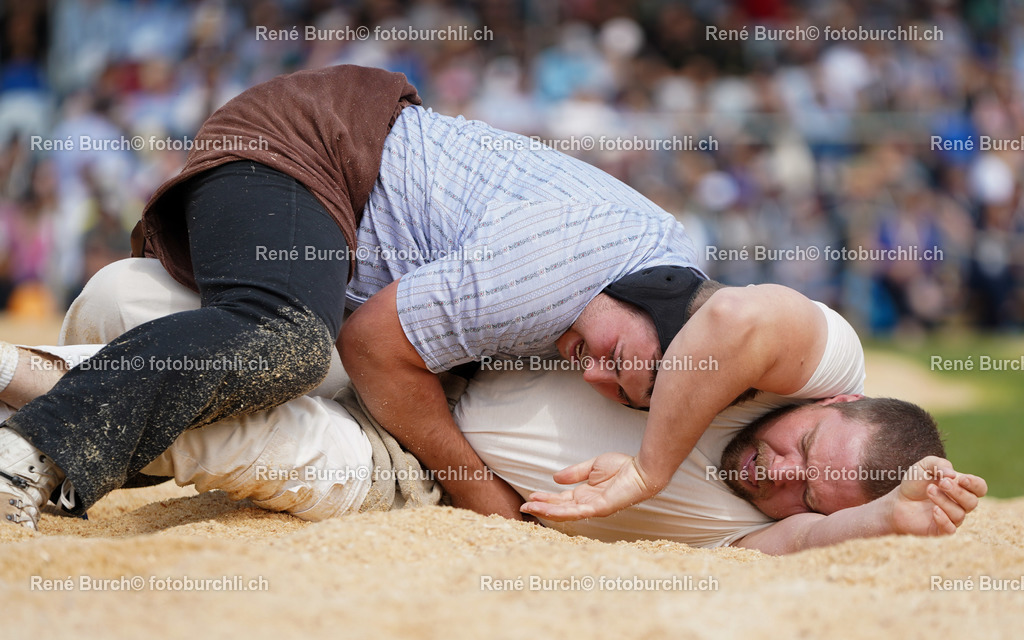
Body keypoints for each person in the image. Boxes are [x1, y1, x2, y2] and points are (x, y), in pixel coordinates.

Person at [0, 65, 931, 528]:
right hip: (310, 149)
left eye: (808, 494)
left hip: (332, 209)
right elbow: (375, 345)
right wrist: (497, 494)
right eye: (621, 359)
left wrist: (878, 517)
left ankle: (47, 409)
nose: (596, 374)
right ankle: (29, 450)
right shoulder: (569, 267)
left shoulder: (639, 290)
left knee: (143, 314)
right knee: (283, 339)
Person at [0, 258, 986, 554]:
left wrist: (878, 518)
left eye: (804, 492)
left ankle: (27, 397)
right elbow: (740, 315)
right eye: (804, 447)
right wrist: (649, 465)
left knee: (249, 434)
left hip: (408, 467)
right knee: (124, 295)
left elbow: (800, 539)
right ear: (835, 398)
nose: (779, 474)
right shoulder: (810, 366)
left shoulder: (759, 526)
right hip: (401, 360)